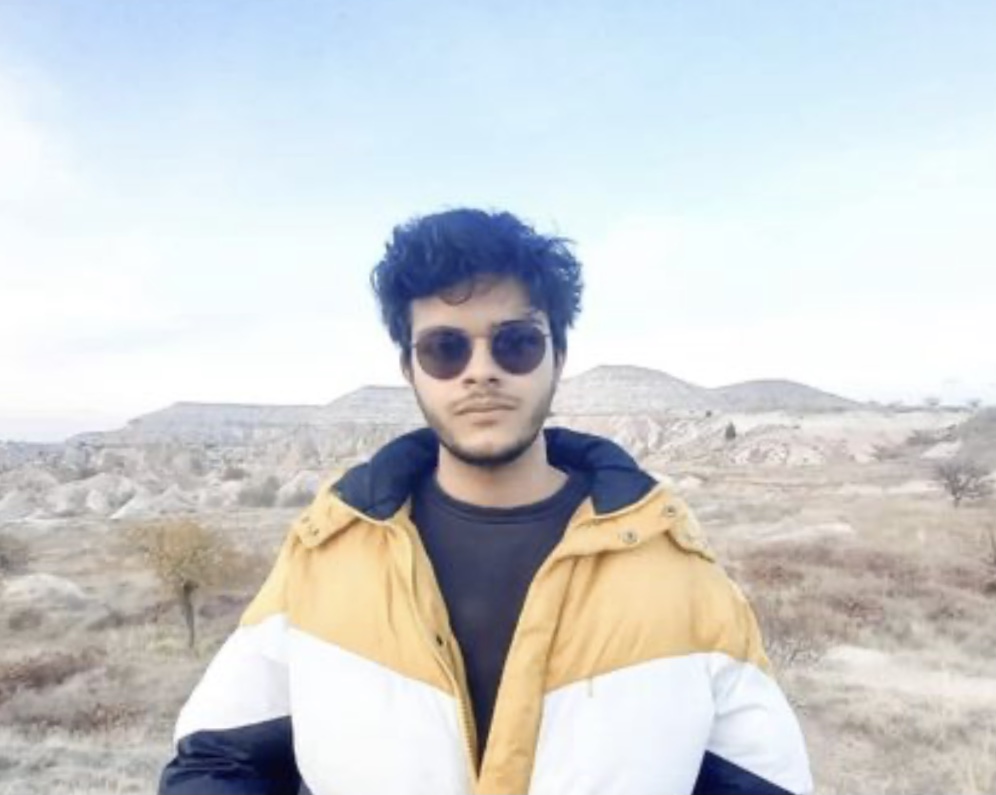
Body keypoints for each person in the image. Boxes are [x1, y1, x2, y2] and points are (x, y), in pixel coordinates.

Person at [160, 208, 813, 795]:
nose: (481, 370)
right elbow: (217, 761)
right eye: (444, 348)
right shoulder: (325, 558)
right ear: (409, 369)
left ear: (558, 357)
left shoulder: (680, 575)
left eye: (516, 342)